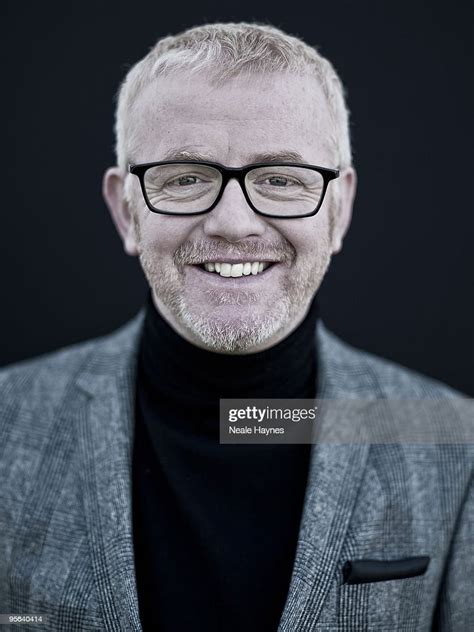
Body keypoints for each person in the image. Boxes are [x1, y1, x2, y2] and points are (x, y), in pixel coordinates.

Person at [0, 22, 472, 632]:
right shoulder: (7, 423)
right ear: (126, 211)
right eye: (185, 177)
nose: (232, 222)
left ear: (339, 209)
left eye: (280, 180)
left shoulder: (452, 442)